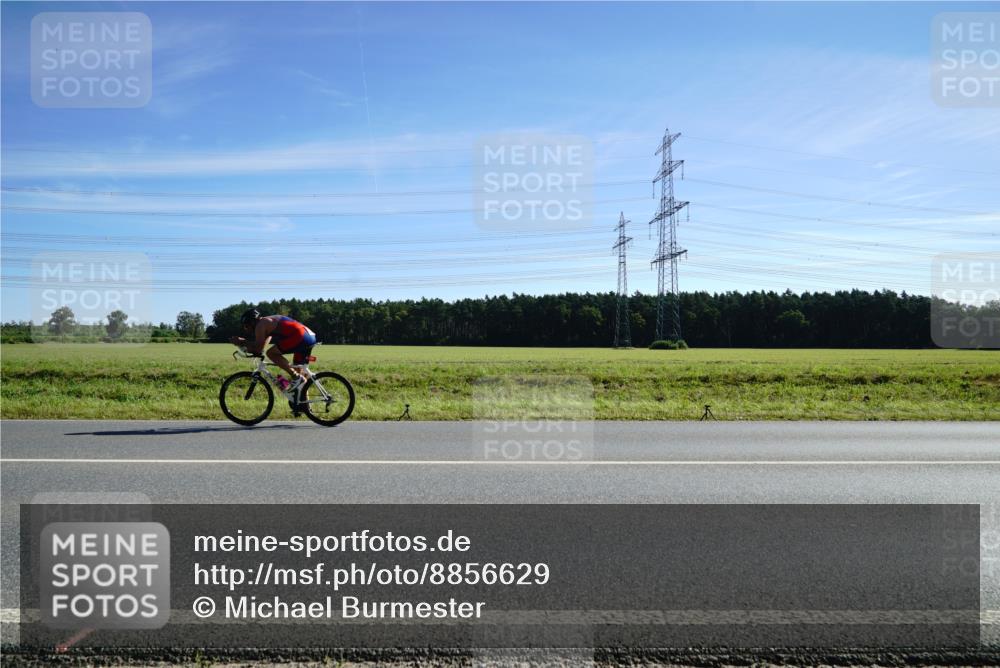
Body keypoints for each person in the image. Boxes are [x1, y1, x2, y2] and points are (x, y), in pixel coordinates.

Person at [230, 308, 317, 388]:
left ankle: (296, 376)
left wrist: (241, 342)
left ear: (252, 322)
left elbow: (258, 348)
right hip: (308, 336)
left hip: (300, 336)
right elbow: (261, 349)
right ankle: (304, 404)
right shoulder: (267, 323)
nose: (246, 329)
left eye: (246, 326)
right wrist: (245, 345)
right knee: (301, 383)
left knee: (271, 353)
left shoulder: (260, 325)